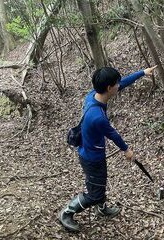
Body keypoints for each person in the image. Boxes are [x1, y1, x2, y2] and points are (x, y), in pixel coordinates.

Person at [60, 65, 157, 232]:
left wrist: (142, 73)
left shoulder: (93, 95)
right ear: (109, 88)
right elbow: (113, 135)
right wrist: (127, 150)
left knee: (99, 184)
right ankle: (67, 213)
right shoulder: (97, 117)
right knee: (94, 193)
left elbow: (123, 83)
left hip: (93, 152)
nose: (119, 85)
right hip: (92, 158)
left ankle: (101, 207)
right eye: (116, 84)